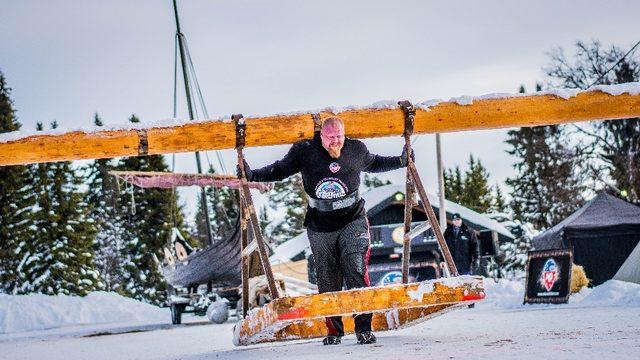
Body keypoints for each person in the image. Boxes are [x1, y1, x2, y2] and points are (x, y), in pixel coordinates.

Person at [238, 116, 412, 345]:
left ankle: (363, 329)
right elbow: (280, 169)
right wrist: (253, 175)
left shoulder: (355, 149)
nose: (335, 142)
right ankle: (334, 330)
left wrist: (401, 160)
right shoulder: (305, 151)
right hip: (320, 224)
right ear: (321, 135)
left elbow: (375, 163)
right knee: (327, 278)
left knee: (355, 267)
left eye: (339, 136)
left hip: (353, 220)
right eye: (330, 138)